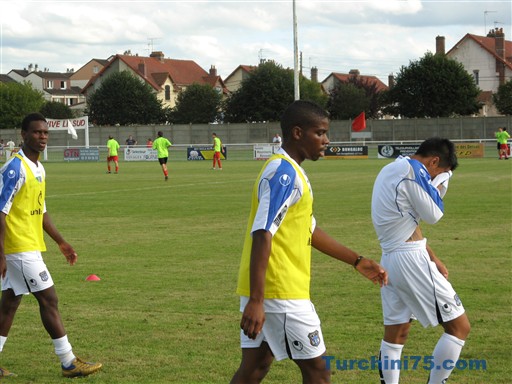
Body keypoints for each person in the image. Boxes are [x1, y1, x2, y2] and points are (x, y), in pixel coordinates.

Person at [230, 100, 387, 384]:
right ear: (298, 133)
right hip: (280, 292)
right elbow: (263, 232)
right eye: (320, 133)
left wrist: (357, 260)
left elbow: (309, 231)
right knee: (318, 372)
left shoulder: (292, 171)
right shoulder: (284, 174)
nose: (326, 140)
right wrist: (257, 300)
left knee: (254, 368)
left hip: (270, 290)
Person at [0, 113, 102, 378]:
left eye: (45, 133)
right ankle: (68, 361)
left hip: (29, 246)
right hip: (18, 247)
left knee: (9, 304)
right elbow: (0, 212)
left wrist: (61, 242)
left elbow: (41, 210)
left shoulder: (39, 168)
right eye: (36, 132)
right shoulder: (15, 168)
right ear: (23, 134)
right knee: (49, 299)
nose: (42, 137)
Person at [371, 137, 471, 384]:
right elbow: (434, 214)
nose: (437, 177)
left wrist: (433, 256)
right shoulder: (413, 170)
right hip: (409, 260)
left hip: (392, 257)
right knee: (460, 327)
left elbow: (409, 224)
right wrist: (443, 181)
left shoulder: (394, 167)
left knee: (397, 332)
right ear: (434, 161)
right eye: (441, 171)